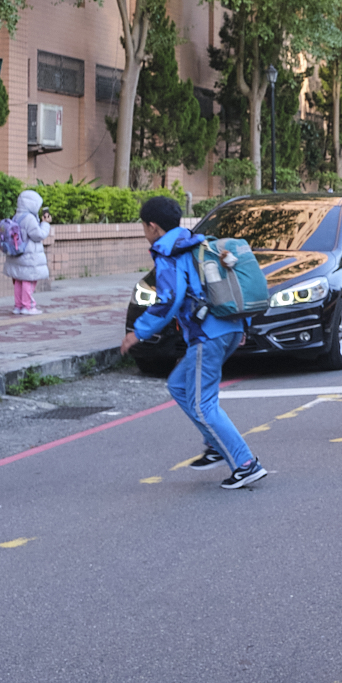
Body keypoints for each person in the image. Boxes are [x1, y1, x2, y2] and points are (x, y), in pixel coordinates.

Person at [121, 195, 267, 489]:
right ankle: (215, 444)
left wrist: (138, 331)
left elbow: (169, 300)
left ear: (152, 227)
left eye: (144, 226)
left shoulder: (169, 253)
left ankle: (246, 463)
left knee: (203, 404)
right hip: (230, 329)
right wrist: (241, 328)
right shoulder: (196, 242)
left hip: (208, 336)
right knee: (178, 385)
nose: (144, 232)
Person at [2, 189, 52, 315]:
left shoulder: (17, 216)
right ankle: (28, 306)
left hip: (18, 254)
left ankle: (18, 306)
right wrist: (45, 224)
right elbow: (38, 235)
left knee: (19, 280)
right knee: (28, 281)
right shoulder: (29, 218)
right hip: (29, 256)